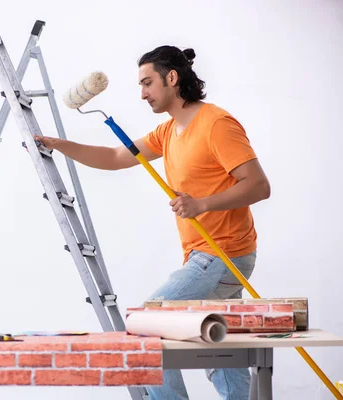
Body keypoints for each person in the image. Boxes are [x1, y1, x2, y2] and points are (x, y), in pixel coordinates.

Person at [34, 45, 271, 400]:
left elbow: (259, 185)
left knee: (146, 325)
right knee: (221, 347)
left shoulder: (216, 124)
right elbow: (116, 157)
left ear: (172, 78)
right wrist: (59, 144)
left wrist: (202, 204)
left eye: (147, 83)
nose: (142, 93)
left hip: (221, 254)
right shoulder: (169, 131)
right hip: (205, 256)